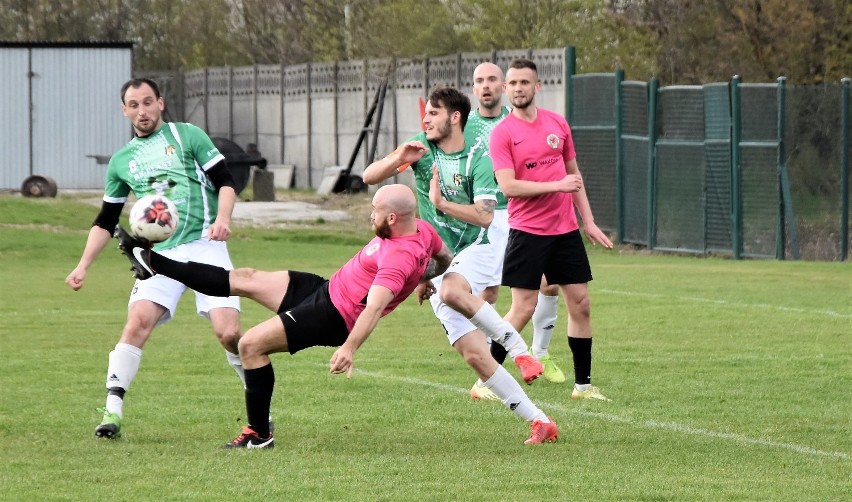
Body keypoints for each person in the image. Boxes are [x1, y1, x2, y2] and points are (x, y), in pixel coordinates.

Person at [116, 184, 452, 448]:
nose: (370, 217)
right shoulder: (421, 230)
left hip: (333, 315)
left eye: (375, 212)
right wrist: (425, 278)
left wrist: (349, 348)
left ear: (392, 218)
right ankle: (151, 262)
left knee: (250, 345)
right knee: (245, 277)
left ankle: (258, 434)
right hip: (326, 289)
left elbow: (375, 308)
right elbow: (443, 257)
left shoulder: (397, 258)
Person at [363, 86, 558, 444]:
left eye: (433, 113)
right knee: (475, 355)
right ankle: (541, 422)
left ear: (454, 117)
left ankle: (519, 351)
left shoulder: (479, 156)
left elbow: (485, 216)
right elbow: (369, 177)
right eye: (425, 115)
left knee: (453, 289)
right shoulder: (420, 147)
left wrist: (439, 203)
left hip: (482, 243)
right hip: (442, 258)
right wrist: (399, 158)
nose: (426, 119)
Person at [65, 77, 244, 439]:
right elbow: (106, 220)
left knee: (229, 333)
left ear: (160, 103)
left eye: (148, 102)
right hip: (158, 255)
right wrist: (83, 264)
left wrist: (223, 219)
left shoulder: (188, 136)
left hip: (204, 245)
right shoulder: (121, 162)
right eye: (134, 105)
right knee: (136, 325)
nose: (142, 111)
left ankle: (259, 409)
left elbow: (226, 181)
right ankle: (111, 413)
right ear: (124, 110)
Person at [490, 59, 614, 401]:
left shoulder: (557, 124)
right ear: (506, 89)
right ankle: (485, 379)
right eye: (512, 83)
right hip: (527, 231)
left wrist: (587, 221)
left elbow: (574, 178)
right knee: (522, 308)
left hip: (565, 231)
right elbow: (510, 187)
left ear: (537, 87)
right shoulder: (503, 133)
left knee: (581, 303)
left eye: (524, 83)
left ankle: (583, 387)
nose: (517, 88)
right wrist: (556, 184)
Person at [465, 62, 565, 401]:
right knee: (500, 298)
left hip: (529, 215)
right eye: (480, 81)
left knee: (548, 284)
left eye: (493, 79)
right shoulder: (465, 126)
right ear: (474, 88)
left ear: (504, 86)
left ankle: (539, 351)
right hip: (491, 221)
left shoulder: (519, 119)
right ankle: (487, 372)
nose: (487, 86)